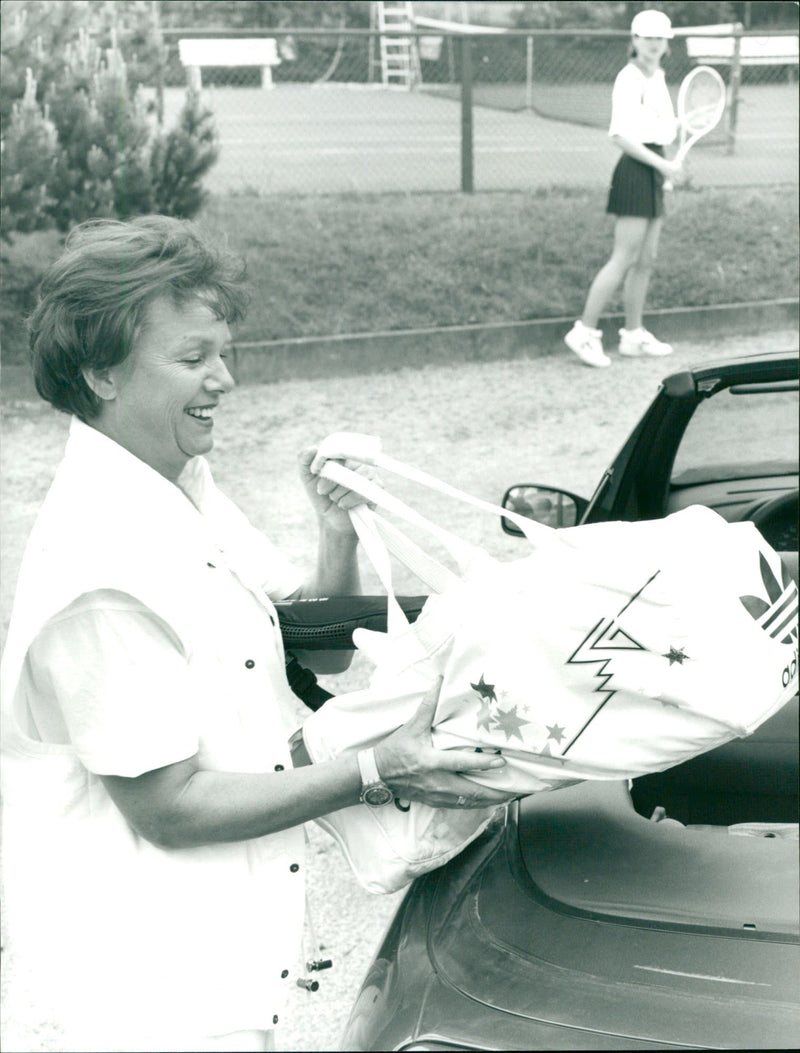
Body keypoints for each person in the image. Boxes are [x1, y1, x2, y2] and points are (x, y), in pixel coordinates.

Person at [0, 216, 515, 1053]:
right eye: (194, 357)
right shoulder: (98, 571)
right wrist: (379, 768)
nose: (225, 379)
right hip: (148, 990)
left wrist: (336, 531)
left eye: (225, 352)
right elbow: (170, 806)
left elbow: (315, 645)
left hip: (226, 959)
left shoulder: (179, 480)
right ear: (100, 371)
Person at [564, 8, 684, 368]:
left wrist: (667, 164)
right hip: (635, 169)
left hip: (654, 167)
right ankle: (583, 333)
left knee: (646, 260)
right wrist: (662, 164)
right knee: (624, 257)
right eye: (647, 38)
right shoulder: (628, 78)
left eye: (659, 38)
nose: (653, 44)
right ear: (634, 40)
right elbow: (619, 135)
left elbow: (662, 129)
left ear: (666, 44)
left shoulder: (658, 76)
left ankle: (633, 335)